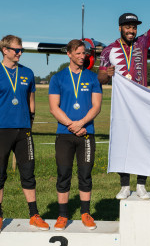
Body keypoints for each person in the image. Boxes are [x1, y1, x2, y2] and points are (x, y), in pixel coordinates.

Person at [98, 0, 150, 201]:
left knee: (144, 142)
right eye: (128, 27)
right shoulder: (108, 50)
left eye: (134, 27)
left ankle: (142, 185)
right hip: (122, 105)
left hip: (143, 102)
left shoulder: (143, 42)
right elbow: (99, 78)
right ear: (120, 28)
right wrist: (106, 75)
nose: (132, 30)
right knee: (122, 143)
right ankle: (125, 185)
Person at [0, 35, 49, 234]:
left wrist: (30, 121)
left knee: (28, 173)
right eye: (16, 49)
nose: (19, 53)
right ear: (5, 50)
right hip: (1, 131)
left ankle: (34, 215)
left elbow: (31, 101)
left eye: (21, 50)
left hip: (23, 131)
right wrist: (1, 118)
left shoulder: (27, 73)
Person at [49, 39, 102, 231]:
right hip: (65, 134)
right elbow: (54, 108)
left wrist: (81, 124)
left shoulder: (92, 77)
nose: (82, 57)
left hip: (87, 133)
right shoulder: (57, 78)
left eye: (84, 53)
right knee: (63, 174)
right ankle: (62, 215)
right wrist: (72, 125)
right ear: (69, 54)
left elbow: (96, 106)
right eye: (78, 53)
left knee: (85, 174)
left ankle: (85, 213)